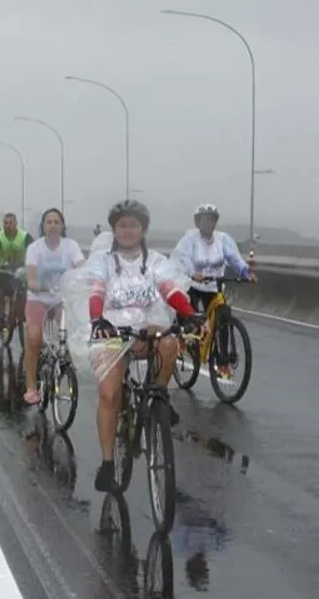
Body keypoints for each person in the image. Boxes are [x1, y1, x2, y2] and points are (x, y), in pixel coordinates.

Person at [67, 199, 201, 493]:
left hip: (145, 328)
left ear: (143, 230)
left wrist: (187, 312)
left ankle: (159, 397)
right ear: (114, 230)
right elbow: (97, 290)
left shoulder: (155, 262)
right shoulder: (104, 261)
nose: (128, 231)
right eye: (122, 225)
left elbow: (170, 289)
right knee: (109, 394)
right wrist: (97, 319)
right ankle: (106, 462)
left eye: (134, 225)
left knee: (168, 340)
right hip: (112, 331)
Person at [172, 203, 257, 378]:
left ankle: (222, 362)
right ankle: (182, 337)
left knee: (224, 315)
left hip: (213, 285)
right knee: (191, 314)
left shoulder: (222, 239)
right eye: (204, 220)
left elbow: (234, 258)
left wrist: (246, 272)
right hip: (192, 284)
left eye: (211, 220)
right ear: (197, 222)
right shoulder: (190, 239)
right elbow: (184, 258)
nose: (208, 224)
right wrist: (193, 273)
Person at [22, 208, 85, 405]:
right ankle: (31, 387)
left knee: (76, 333)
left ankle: (66, 365)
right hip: (38, 298)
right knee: (34, 338)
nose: (52, 225)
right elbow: (31, 274)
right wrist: (35, 284)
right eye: (48, 222)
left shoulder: (71, 246)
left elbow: (81, 268)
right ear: (43, 226)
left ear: (63, 226)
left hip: (61, 300)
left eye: (56, 222)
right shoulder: (35, 248)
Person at [0, 213, 33, 326]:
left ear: (16, 224)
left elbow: (34, 250)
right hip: (5, 271)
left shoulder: (25, 236)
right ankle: (0, 317)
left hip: (22, 270)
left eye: (11, 223)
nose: (8, 226)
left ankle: (22, 311)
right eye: (5, 223)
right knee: (0, 291)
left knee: (28, 290)